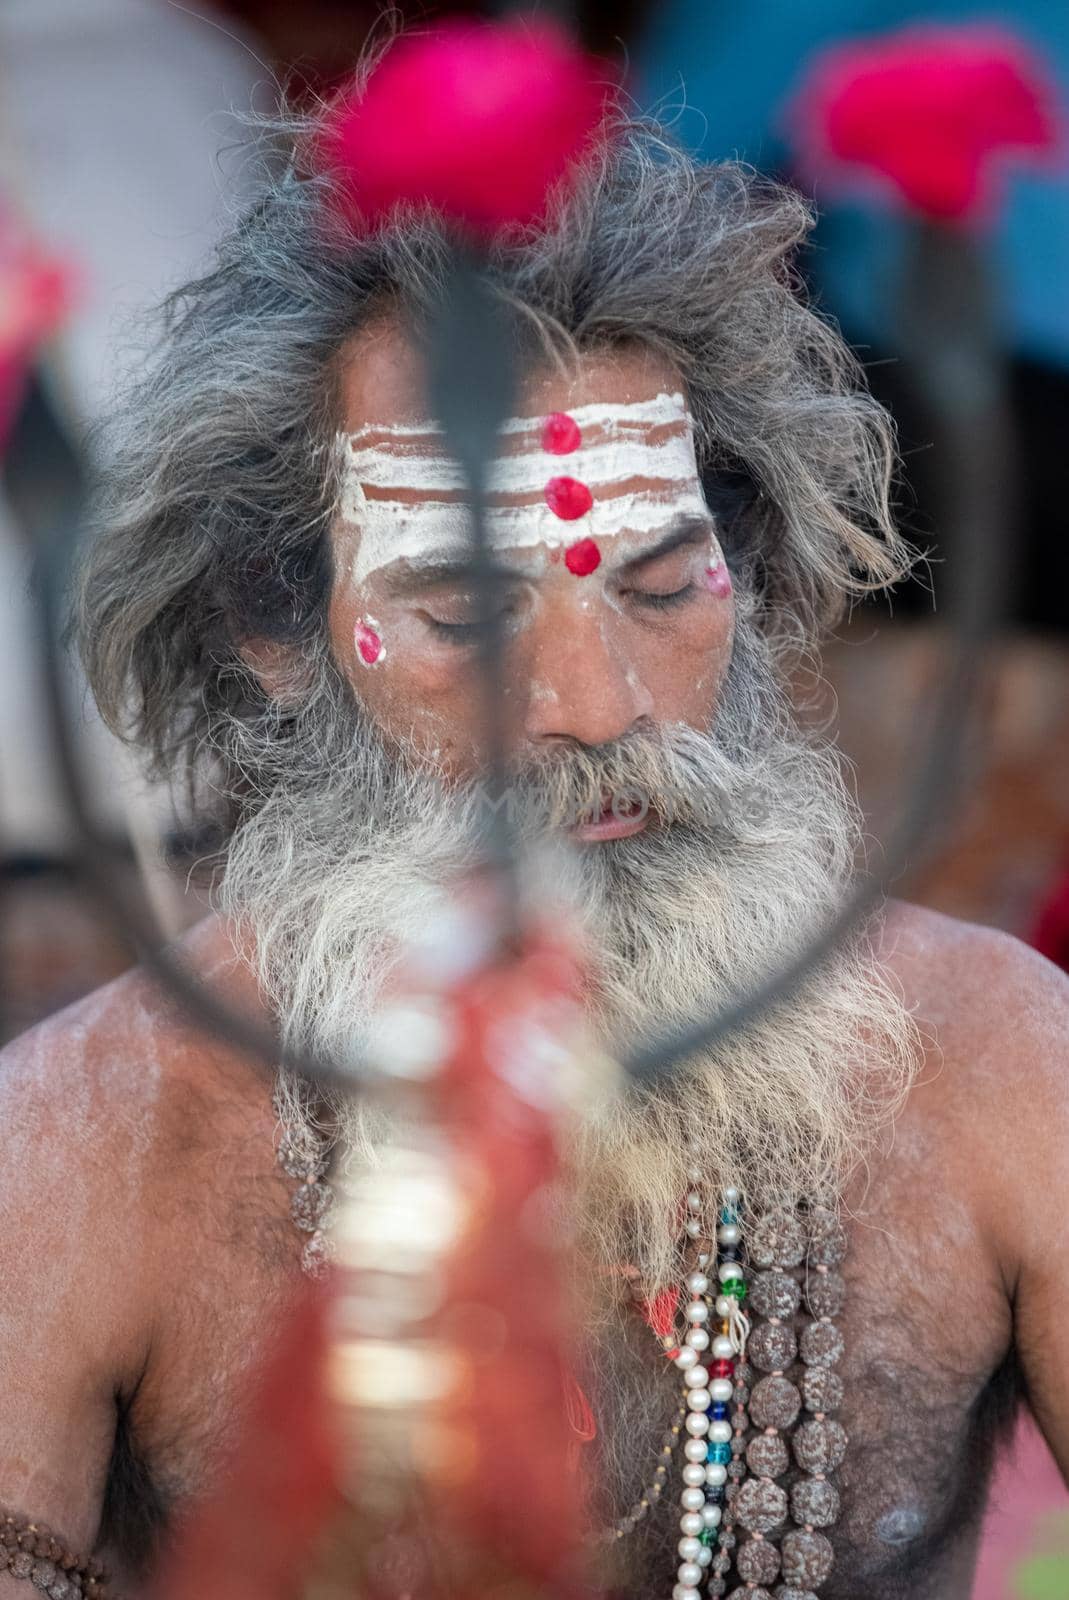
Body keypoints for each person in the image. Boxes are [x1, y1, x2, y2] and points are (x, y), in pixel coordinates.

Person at [2, 96, 1068, 1600]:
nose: (596, 709)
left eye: (660, 585)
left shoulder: (998, 1063)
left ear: (748, 578)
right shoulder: (91, 1143)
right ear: (274, 635)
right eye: (466, 616)